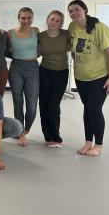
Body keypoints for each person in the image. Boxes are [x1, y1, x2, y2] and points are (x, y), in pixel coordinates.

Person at [68, 0, 109, 156]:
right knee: (87, 109)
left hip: (99, 77)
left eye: (76, 9)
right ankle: (88, 142)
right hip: (81, 77)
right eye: (70, 11)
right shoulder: (72, 27)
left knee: (94, 109)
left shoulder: (100, 29)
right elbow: (74, 50)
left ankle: (99, 145)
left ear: (85, 10)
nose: (74, 13)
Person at [7, 7, 40, 147]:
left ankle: (26, 130)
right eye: (23, 18)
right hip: (16, 68)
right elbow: (6, 51)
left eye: (29, 17)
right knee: (18, 102)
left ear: (32, 18)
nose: (26, 20)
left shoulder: (36, 31)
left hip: (33, 67)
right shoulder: (10, 33)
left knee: (32, 105)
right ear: (18, 18)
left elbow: (41, 48)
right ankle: (20, 133)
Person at [38, 10, 70, 148]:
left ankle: (56, 135)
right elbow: (34, 51)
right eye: (52, 19)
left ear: (61, 23)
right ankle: (48, 136)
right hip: (44, 71)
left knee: (53, 105)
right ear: (47, 19)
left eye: (57, 21)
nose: (54, 23)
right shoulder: (41, 36)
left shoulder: (66, 34)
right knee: (44, 105)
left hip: (61, 73)